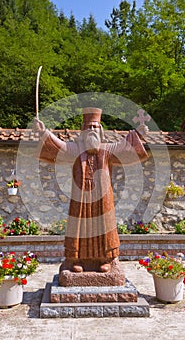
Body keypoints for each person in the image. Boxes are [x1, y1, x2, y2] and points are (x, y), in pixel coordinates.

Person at [33, 107, 148, 273]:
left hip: (103, 198)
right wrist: (43, 132)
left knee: (103, 227)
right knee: (79, 227)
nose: (92, 130)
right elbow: (58, 147)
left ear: (100, 130)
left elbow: (125, 148)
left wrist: (138, 135)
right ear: (83, 130)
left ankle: (105, 259)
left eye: (95, 127)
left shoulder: (107, 150)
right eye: (89, 127)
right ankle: (76, 260)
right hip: (81, 199)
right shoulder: (75, 150)